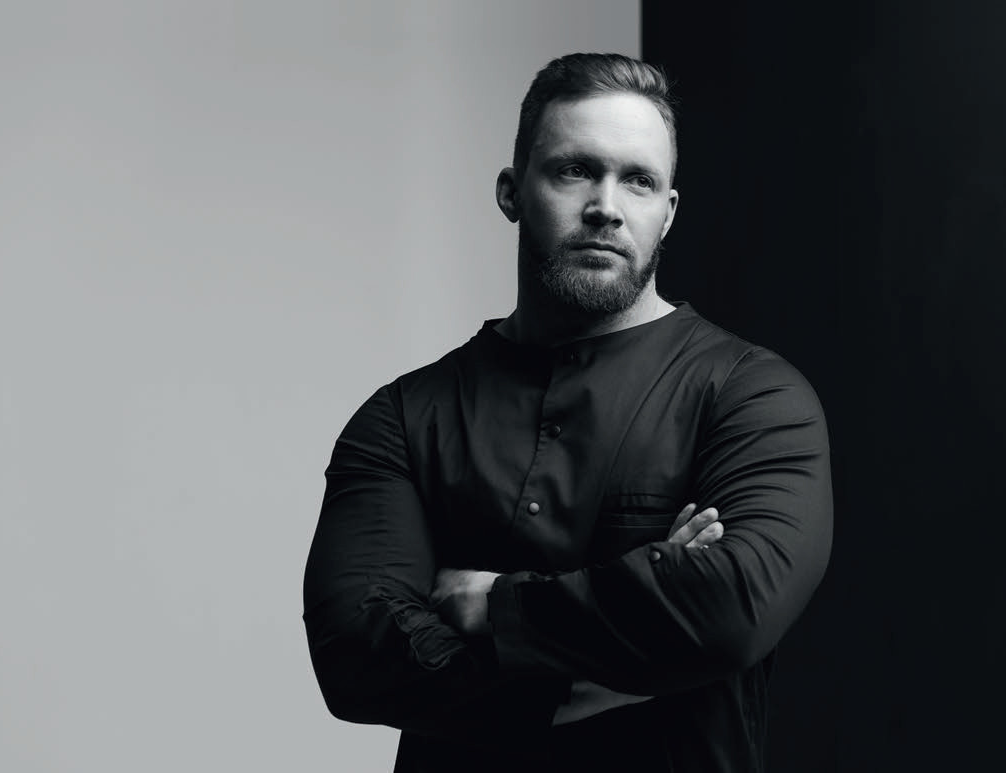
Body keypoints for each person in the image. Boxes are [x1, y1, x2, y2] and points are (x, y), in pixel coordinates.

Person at [302, 52, 832, 772]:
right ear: (512, 191)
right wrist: (619, 657)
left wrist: (491, 605)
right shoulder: (403, 417)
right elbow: (357, 653)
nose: (606, 206)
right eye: (575, 170)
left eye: (638, 180)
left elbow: (732, 606)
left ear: (668, 213)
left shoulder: (752, 396)